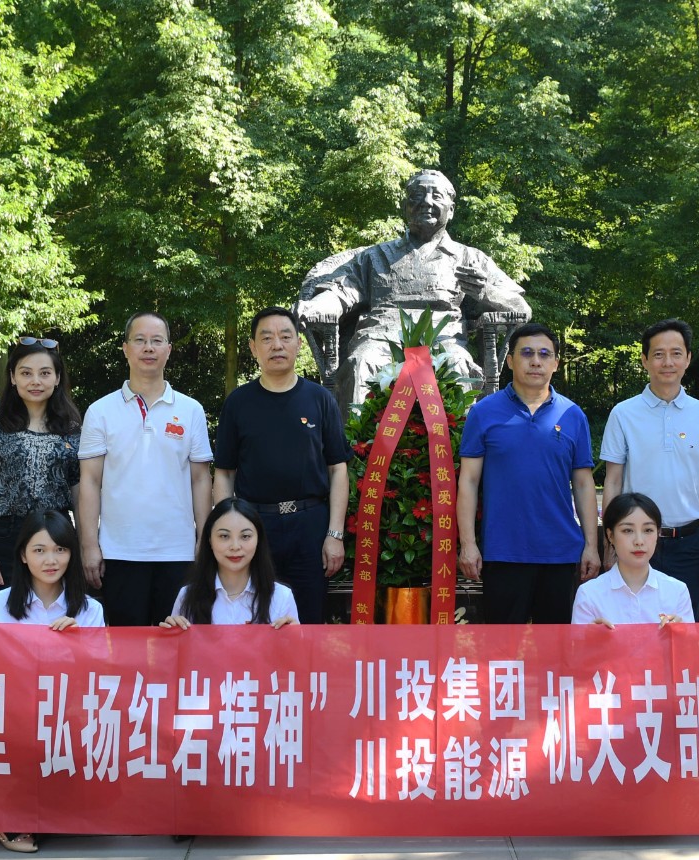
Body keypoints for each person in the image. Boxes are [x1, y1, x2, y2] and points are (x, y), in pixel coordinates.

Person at [296, 169, 532, 408]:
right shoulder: (375, 256)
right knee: (361, 362)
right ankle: (352, 434)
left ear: (451, 209)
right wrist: (313, 306)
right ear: (406, 207)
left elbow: (521, 309)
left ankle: (462, 434)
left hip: (444, 342)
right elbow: (340, 291)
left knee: (457, 365)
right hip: (380, 339)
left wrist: (486, 292)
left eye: (436, 196)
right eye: (417, 195)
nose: (426, 202)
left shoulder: (469, 258)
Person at [0, 509, 102, 853]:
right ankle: (8, 815)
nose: (50, 560)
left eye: (60, 549)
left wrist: (80, 643)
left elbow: (101, 676)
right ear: (23, 555)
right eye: (39, 550)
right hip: (13, 715)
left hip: (66, 714)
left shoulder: (89, 610)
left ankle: (52, 808)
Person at [212, 307, 350, 624]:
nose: (277, 345)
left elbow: (338, 469)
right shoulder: (238, 403)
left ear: (298, 343)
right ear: (253, 347)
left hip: (310, 527)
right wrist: (229, 532)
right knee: (255, 619)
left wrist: (334, 533)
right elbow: (224, 473)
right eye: (267, 338)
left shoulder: (320, 399)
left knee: (309, 619)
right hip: (255, 527)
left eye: (285, 336)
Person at [459, 322, 601, 623]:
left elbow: (583, 484)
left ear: (556, 363)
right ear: (510, 361)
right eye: (526, 353)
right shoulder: (484, 412)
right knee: (502, 647)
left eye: (544, 354)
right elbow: (469, 481)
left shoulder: (573, 415)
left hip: (560, 552)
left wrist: (591, 545)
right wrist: (468, 544)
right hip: (503, 551)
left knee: (556, 646)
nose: (536, 361)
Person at [78, 312, 213, 626]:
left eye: (156, 341)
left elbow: (200, 479)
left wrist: (203, 539)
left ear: (169, 349)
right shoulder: (100, 411)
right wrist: (89, 544)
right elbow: (90, 481)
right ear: (126, 348)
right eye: (139, 340)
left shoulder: (191, 410)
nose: (148, 348)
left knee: (177, 641)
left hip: (178, 551)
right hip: (119, 550)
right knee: (125, 644)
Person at [599, 318, 699, 619]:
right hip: (635, 541)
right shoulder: (623, 414)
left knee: (681, 630)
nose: (667, 362)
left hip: (689, 543)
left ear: (688, 359)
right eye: (658, 354)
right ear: (645, 360)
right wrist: (609, 542)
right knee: (631, 625)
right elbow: (613, 481)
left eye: (676, 353)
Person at [0, 338, 82, 596]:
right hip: (6, 536)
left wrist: (85, 547)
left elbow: (80, 495)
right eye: (26, 373)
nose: (36, 381)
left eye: (45, 373)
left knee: (56, 610)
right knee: (8, 611)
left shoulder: (73, 431)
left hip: (58, 536)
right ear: (13, 377)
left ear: (57, 378)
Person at [161, 498, 299, 629]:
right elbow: (178, 646)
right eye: (224, 536)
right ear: (209, 540)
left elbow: (293, 647)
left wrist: (295, 637)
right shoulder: (187, 595)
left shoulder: (281, 597)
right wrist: (172, 635)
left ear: (258, 540)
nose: (235, 546)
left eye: (245, 536)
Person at [573, 492, 693, 628]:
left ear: (658, 533)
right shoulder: (589, 594)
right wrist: (589, 636)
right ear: (610, 535)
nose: (639, 541)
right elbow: (577, 642)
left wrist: (682, 633)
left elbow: (690, 642)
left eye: (648, 530)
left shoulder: (677, 591)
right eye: (627, 530)